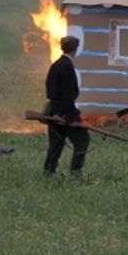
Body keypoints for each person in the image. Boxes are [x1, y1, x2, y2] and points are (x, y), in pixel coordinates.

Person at [43, 35, 90, 176]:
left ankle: (49, 171)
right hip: (64, 111)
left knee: (56, 143)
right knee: (82, 139)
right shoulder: (67, 66)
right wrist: (71, 118)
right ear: (75, 49)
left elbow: (49, 88)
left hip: (53, 110)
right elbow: (68, 94)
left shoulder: (56, 64)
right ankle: (76, 171)